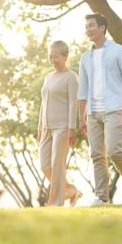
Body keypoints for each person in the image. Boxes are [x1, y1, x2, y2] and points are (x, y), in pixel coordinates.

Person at [79, 13, 122, 206]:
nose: (88, 30)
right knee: (97, 155)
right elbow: (83, 90)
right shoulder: (85, 58)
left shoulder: (118, 51)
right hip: (92, 112)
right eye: (86, 27)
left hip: (114, 108)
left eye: (91, 26)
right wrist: (81, 117)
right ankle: (102, 197)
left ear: (102, 28)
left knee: (114, 150)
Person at [37, 40, 82, 207]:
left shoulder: (71, 77)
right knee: (45, 165)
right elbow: (43, 103)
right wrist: (39, 127)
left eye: (56, 56)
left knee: (57, 164)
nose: (52, 60)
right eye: (50, 56)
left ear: (65, 56)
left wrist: (72, 128)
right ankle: (70, 191)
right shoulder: (48, 77)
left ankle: (55, 203)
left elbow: (73, 104)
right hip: (46, 127)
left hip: (63, 127)